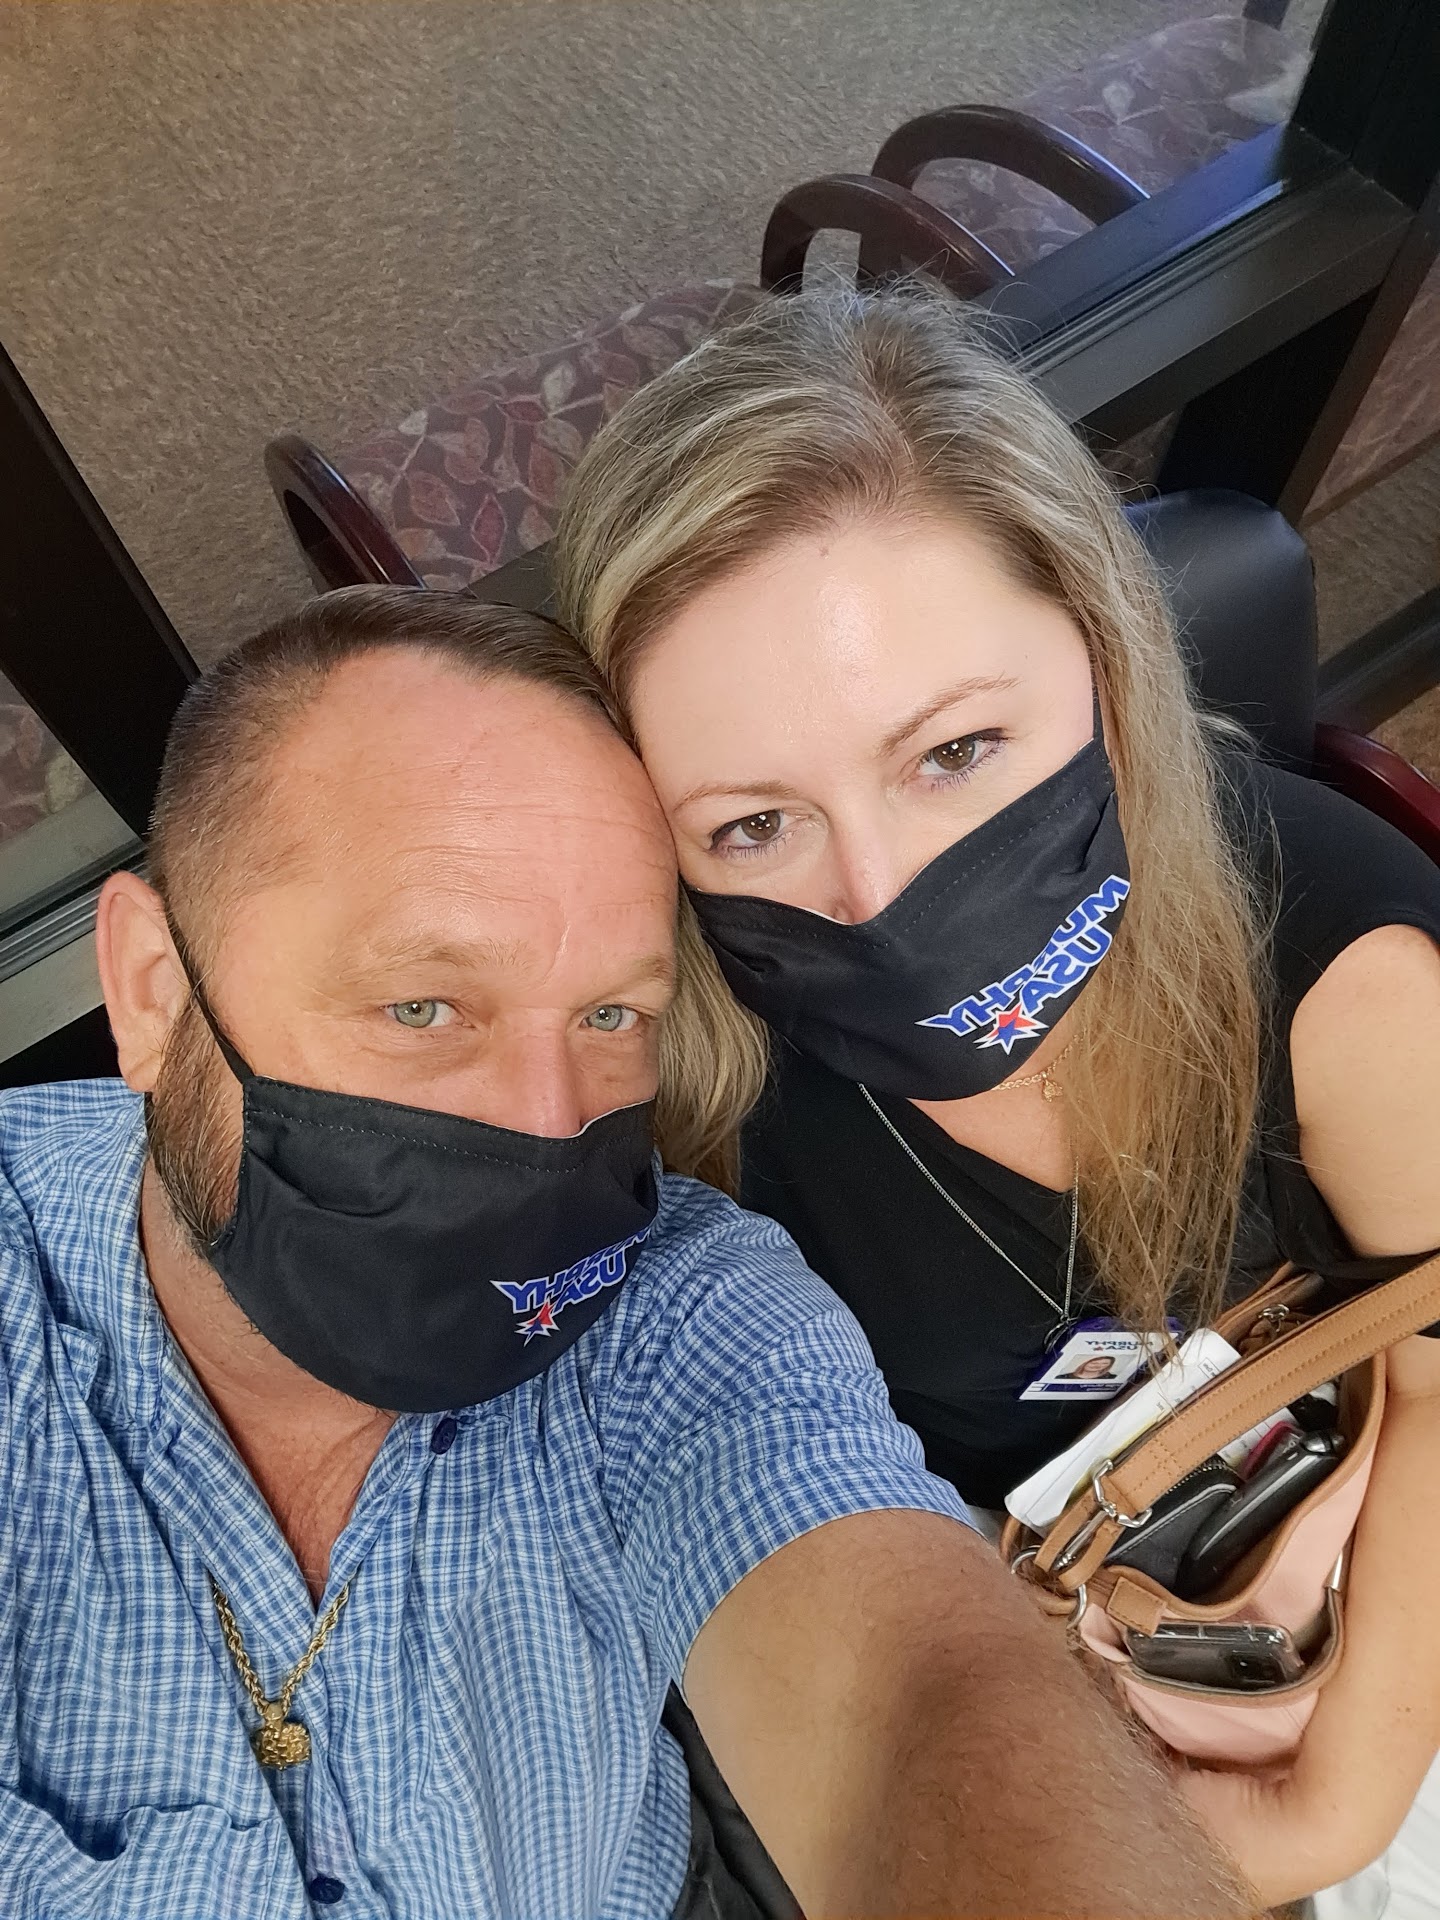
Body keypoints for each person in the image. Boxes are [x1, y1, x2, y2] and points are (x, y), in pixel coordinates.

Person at [0, 588, 1246, 1920]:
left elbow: (920, 1698)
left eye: (612, 1016)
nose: (549, 1126)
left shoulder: (674, 1309)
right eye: (422, 1006)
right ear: (153, 990)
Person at [552, 285, 1440, 1907]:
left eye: (954, 751)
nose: (878, 893)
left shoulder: (1342, 960)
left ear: (1101, 650)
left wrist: (1335, 1798)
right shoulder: (687, 1128)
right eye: (753, 825)